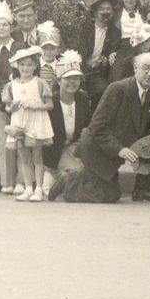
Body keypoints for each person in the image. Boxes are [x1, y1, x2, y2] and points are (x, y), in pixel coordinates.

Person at [76, 53, 150, 203]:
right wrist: (119, 149)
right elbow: (97, 126)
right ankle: (67, 181)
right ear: (135, 68)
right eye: (145, 68)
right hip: (97, 149)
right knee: (109, 196)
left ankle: (143, 189)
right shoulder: (118, 89)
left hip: (119, 147)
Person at [3, 46, 54, 202]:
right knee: (24, 157)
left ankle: (38, 189)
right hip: (19, 122)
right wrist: (11, 108)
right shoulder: (11, 85)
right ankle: (28, 188)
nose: (26, 68)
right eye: (22, 65)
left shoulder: (39, 83)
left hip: (36, 123)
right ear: (17, 66)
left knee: (37, 157)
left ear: (35, 66)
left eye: (29, 65)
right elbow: (7, 106)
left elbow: (49, 104)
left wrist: (35, 105)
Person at [0, 1, 24, 194]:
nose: (2, 28)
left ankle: (21, 181)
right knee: (4, 140)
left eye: (5, 25)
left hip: (20, 96)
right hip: (1, 99)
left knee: (20, 136)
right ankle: (6, 181)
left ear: (11, 27)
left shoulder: (20, 46)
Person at [44, 51, 94, 200]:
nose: (72, 82)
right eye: (68, 78)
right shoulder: (51, 101)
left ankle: (64, 180)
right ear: (58, 81)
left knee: (81, 174)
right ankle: (55, 177)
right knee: (47, 188)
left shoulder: (83, 98)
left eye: (76, 78)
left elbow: (88, 124)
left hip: (72, 149)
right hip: (50, 152)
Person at [81, 0, 121, 108]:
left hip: (98, 73)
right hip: (81, 69)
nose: (105, 12)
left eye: (108, 9)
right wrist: (87, 63)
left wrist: (104, 62)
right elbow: (78, 49)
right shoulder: (84, 29)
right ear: (94, 13)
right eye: (102, 9)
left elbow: (113, 53)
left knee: (102, 90)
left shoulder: (115, 33)